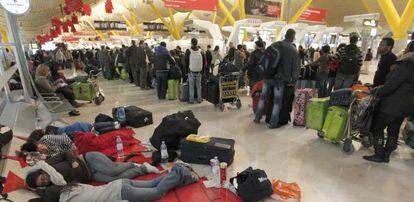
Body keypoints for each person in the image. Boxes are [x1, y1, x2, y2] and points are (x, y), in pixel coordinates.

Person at [29, 162, 197, 202]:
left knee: (157, 192)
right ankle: (184, 176)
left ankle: (179, 171)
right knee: (153, 184)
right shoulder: (69, 187)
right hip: (120, 185)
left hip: (121, 193)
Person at [363, 43, 414, 163]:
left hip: (391, 104)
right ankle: (386, 155)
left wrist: (377, 90)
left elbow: (392, 85)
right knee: (394, 130)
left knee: (377, 128)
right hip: (405, 106)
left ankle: (379, 153)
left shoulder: (406, 65)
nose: (405, 49)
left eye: (406, 47)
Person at [25, 151, 160, 190]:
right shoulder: (55, 185)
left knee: (113, 171)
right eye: (43, 184)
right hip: (91, 175)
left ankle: (131, 164)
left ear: (40, 172)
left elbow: (65, 153)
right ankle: (142, 168)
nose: (46, 180)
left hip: (88, 160)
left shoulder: (47, 164)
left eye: (43, 178)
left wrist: (72, 161)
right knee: (115, 180)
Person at [254, 29, 300, 129]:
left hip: (268, 76)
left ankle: (257, 118)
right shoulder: (293, 50)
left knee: (263, 97)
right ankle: (273, 123)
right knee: (277, 101)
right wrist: (293, 80)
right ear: (292, 37)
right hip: (280, 79)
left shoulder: (275, 44)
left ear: (285, 35)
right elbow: (296, 68)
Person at [185, 38, 206, 104]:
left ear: (191, 42)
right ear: (197, 43)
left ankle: (191, 100)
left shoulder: (188, 51)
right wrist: (203, 71)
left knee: (191, 86)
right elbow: (204, 62)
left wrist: (186, 71)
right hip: (199, 71)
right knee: (199, 86)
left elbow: (185, 61)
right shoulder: (201, 51)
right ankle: (199, 99)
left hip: (191, 71)